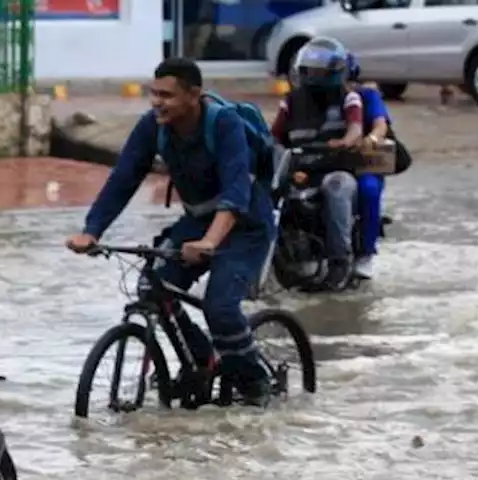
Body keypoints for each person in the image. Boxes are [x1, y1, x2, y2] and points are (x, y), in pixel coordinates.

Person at [65, 56, 275, 405]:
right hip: (197, 221)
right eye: (153, 93)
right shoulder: (153, 126)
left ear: (194, 95)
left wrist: (210, 241)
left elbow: (236, 195)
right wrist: (92, 231)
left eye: (167, 95)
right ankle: (201, 357)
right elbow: (124, 177)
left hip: (245, 226)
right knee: (152, 285)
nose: (157, 102)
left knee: (220, 307)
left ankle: (256, 384)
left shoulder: (224, 125)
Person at [269, 36, 363, 290]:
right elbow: (273, 137)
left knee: (337, 187)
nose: (314, 74)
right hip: (298, 170)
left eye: (320, 70)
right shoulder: (290, 101)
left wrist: (344, 141)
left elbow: (355, 128)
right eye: (309, 69)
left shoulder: (349, 98)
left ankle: (339, 262)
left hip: (335, 171)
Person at [345, 52, 389, 282]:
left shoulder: (367, 96)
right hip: (320, 159)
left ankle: (366, 252)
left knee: (368, 190)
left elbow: (380, 125)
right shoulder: (305, 97)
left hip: (359, 161)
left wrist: (370, 140)